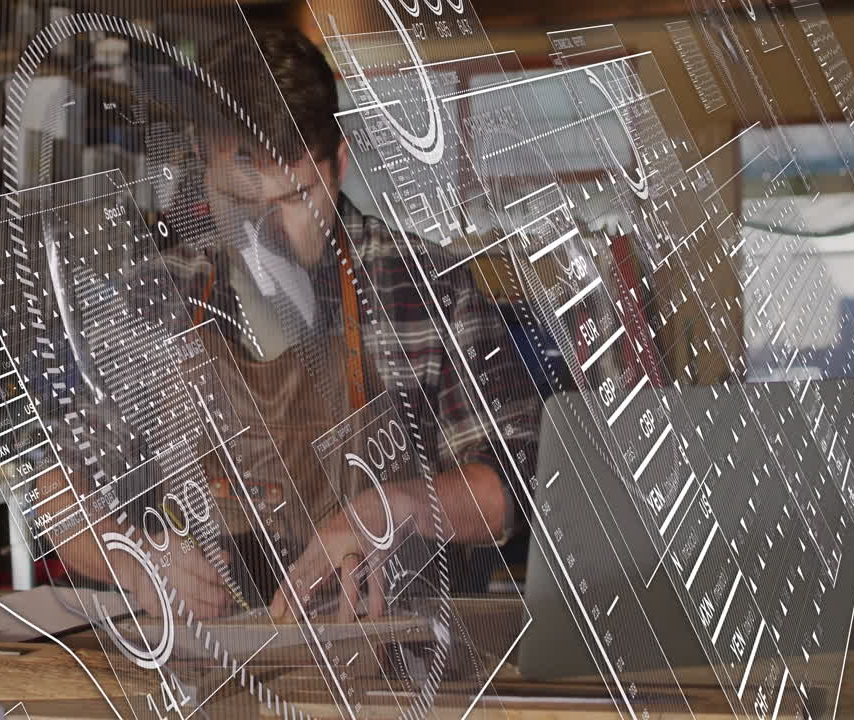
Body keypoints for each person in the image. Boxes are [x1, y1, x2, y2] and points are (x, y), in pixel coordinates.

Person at [43, 25, 539, 623]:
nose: (267, 241)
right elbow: (55, 483)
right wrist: (135, 561)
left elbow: (508, 488)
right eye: (243, 204)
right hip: (227, 669)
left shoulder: (427, 291)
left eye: (294, 199)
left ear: (336, 167)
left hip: (402, 660)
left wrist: (399, 508)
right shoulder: (165, 298)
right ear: (206, 174)